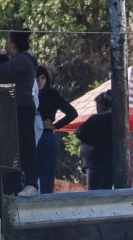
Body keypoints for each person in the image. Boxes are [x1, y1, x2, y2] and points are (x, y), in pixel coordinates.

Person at [0, 30, 40, 197]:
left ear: (13, 44)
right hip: (15, 107)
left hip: (22, 107)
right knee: (16, 147)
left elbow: (0, 71)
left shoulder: (22, 60)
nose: (5, 45)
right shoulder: (20, 59)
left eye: (8, 42)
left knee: (26, 146)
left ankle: (32, 184)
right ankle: (16, 184)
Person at [36, 66, 77, 194]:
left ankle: (46, 200)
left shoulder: (52, 94)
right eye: (37, 77)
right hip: (29, 135)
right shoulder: (26, 94)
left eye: (43, 78)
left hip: (46, 134)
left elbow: (72, 113)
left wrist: (56, 125)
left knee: (47, 172)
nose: (40, 81)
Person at [75, 91, 114, 190]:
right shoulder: (117, 120)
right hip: (110, 161)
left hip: (94, 162)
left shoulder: (97, 118)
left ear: (101, 105)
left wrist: (94, 142)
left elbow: (79, 132)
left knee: (94, 193)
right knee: (106, 190)